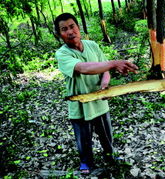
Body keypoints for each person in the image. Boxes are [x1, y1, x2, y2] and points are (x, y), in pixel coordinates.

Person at [54, 13, 138, 174]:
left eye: (72, 26)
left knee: (106, 134)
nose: (70, 32)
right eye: (64, 29)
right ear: (59, 35)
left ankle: (110, 156)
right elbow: (83, 68)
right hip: (80, 103)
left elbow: (104, 69)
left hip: (100, 100)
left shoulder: (92, 45)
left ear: (78, 27)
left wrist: (105, 82)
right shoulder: (63, 54)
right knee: (83, 138)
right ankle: (86, 161)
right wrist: (114, 63)